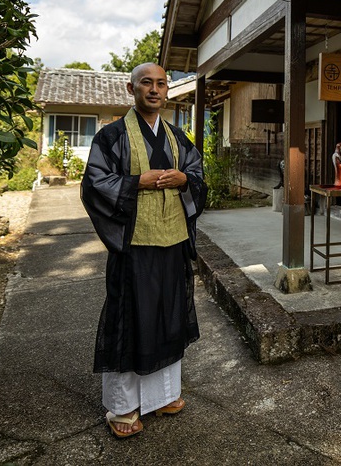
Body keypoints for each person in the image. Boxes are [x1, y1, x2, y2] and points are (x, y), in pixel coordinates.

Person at [80, 62, 207, 439]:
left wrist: (184, 179)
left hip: (172, 241)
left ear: (167, 90)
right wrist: (138, 182)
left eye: (161, 84)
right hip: (134, 243)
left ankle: (164, 395)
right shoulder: (112, 135)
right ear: (131, 88)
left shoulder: (176, 136)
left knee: (168, 314)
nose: (154, 89)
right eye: (146, 83)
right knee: (131, 317)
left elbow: (198, 177)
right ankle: (123, 406)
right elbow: (95, 185)